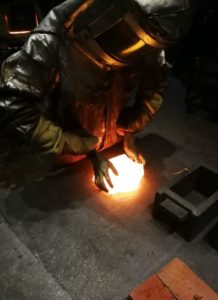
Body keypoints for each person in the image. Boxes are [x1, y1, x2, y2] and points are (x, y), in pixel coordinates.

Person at [0, 0, 191, 192]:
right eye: (130, 36)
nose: (133, 46)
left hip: (111, 142)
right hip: (65, 153)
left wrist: (131, 127)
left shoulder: (151, 35)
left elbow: (155, 83)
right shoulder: (53, 39)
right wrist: (66, 142)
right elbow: (13, 101)